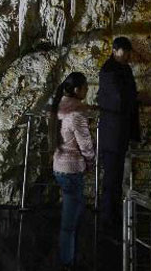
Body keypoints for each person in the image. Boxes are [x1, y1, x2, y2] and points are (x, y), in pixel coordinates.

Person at [51, 71, 95, 270]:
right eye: (85, 87)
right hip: (71, 168)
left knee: (73, 215)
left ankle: (70, 256)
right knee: (70, 222)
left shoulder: (59, 105)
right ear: (77, 90)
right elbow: (85, 143)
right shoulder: (76, 113)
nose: (87, 90)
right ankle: (67, 262)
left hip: (58, 165)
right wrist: (91, 161)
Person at [97, 36, 140, 231]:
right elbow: (118, 99)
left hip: (121, 131)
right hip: (113, 132)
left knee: (117, 176)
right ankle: (107, 218)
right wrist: (134, 98)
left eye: (129, 51)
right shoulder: (108, 71)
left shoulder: (124, 69)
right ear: (115, 50)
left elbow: (128, 95)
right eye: (126, 51)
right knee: (111, 177)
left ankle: (113, 214)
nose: (129, 55)